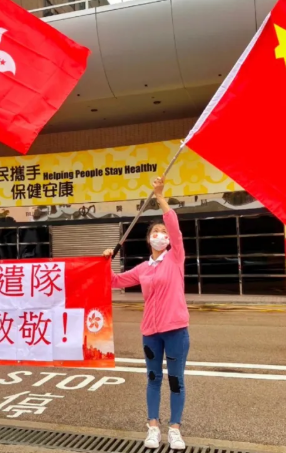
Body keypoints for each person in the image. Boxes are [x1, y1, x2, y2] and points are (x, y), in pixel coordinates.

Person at [103, 176, 189, 451]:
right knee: (153, 379)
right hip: (151, 333)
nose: (160, 235)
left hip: (175, 330)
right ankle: (153, 425)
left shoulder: (176, 258)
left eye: (163, 232)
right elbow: (115, 281)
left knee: (176, 380)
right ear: (148, 239)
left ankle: (174, 428)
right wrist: (105, 261)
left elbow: (175, 228)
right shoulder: (143, 269)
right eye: (155, 232)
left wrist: (160, 196)